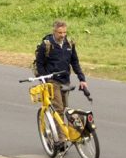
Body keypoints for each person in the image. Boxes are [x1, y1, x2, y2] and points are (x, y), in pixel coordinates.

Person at [35, 19, 88, 151]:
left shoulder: (69, 44)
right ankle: (62, 140)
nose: (63, 35)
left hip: (65, 80)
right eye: (60, 32)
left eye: (64, 32)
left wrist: (82, 79)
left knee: (64, 109)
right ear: (54, 31)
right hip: (52, 81)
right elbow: (39, 64)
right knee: (58, 108)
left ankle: (63, 134)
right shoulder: (46, 45)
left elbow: (75, 62)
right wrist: (44, 80)